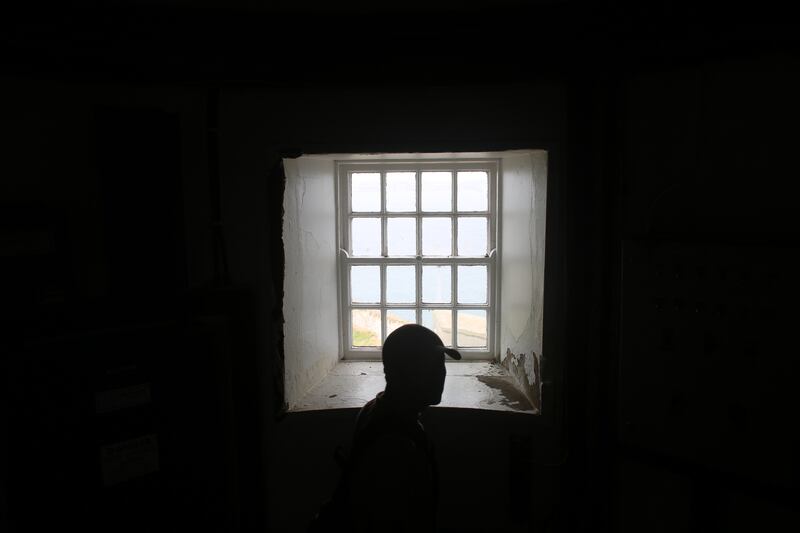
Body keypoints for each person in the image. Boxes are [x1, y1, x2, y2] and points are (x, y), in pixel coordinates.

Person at [309, 324, 461, 533]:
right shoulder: (396, 446)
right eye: (429, 367)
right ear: (401, 373)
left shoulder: (375, 408)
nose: (441, 374)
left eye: (441, 364)